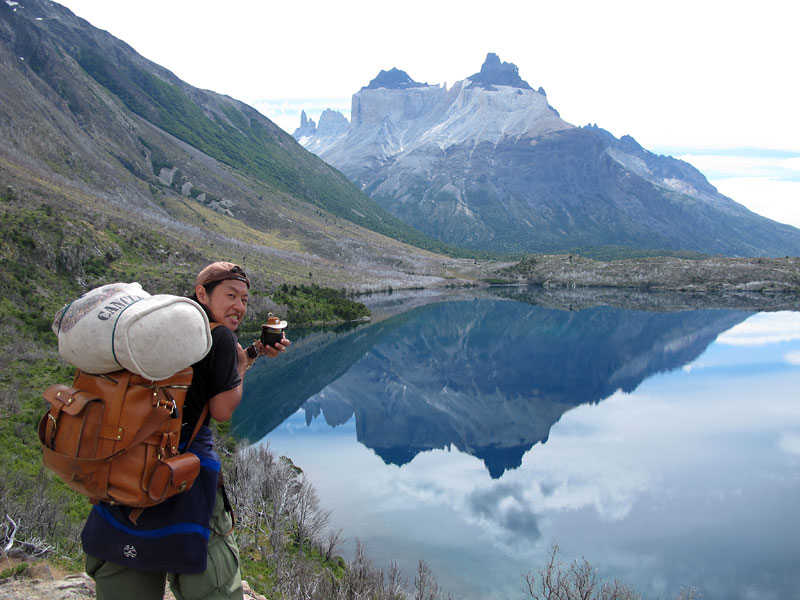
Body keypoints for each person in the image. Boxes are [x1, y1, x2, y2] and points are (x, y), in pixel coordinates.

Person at [82, 262, 290, 600]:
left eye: (245, 300)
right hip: (183, 473)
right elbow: (221, 410)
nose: (239, 306)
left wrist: (243, 360)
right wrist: (240, 367)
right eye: (230, 295)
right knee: (213, 576)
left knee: (125, 568)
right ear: (202, 293)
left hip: (126, 463)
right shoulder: (219, 336)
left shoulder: (156, 329)